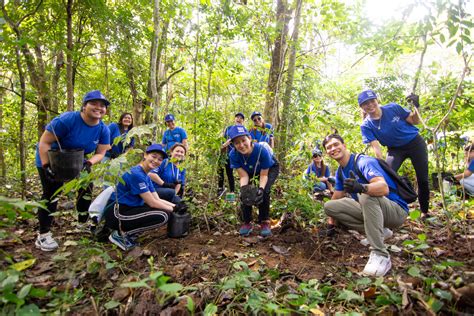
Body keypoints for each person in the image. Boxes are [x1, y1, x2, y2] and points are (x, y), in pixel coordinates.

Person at [35, 90, 111, 251]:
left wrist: (89, 163)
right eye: (94, 104)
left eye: (102, 105)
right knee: (51, 194)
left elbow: (101, 153)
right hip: (51, 158)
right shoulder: (67, 120)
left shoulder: (103, 129)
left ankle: (82, 223)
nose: (99, 108)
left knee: (87, 188)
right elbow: (44, 143)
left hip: (78, 160)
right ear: (84, 106)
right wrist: (46, 165)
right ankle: (43, 235)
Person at [322, 134, 408, 276]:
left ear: (344, 145)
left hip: (396, 211)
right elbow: (336, 197)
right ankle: (382, 231)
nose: (333, 149)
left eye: (336, 144)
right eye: (329, 147)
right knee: (330, 206)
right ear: (327, 153)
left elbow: (383, 188)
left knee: (366, 195)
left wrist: (361, 187)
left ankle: (381, 255)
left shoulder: (363, 162)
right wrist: (330, 223)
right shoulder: (340, 171)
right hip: (375, 210)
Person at [358, 89, 430, 218]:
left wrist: (416, 107)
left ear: (377, 100)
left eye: (372, 101)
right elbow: (376, 148)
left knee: (423, 179)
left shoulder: (393, 108)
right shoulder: (366, 125)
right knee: (386, 177)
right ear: (362, 107)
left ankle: (424, 211)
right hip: (395, 150)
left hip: (415, 143)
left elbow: (415, 121)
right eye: (365, 103)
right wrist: (380, 164)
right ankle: (396, 208)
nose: (370, 105)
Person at [103, 144, 185, 251]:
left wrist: (176, 206)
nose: (156, 161)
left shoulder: (146, 175)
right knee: (163, 215)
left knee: (163, 211)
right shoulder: (137, 174)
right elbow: (152, 202)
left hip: (129, 209)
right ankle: (120, 235)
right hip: (117, 213)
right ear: (145, 155)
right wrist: (174, 209)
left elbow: (157, 199)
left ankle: (128, 233)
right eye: (154, 156)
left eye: (160, 159)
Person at [228, 125, 279, 237]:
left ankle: (264, 222)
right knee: (246, 192)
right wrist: (243, 190)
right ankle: (247, 222)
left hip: (269, 169)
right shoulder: (233, 155)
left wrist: (260, 188)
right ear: (233, 145)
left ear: (249, 138)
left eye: (243, 140)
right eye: (237, 143)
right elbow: (243, 176)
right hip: (249, 170)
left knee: (264, 191)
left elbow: (264, 174)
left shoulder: (262, 151)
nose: (241, 145)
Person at [218, 112, 245, 198]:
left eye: (241, 118)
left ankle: (232, 193)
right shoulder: (229, 128)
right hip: (225, 154)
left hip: (235, 154)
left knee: (231, 173)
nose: (238, 119)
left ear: (243, 121)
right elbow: (224, 139)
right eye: (237, 117)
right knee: (221, 171)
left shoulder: (243, 129)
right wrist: (222, 147)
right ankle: (220, 189)